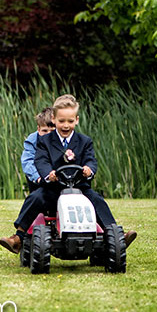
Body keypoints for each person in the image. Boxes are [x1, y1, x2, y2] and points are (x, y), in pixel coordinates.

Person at [28, 94, 136, 249]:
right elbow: (41, 160)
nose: (66, 125)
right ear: (53, 119)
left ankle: (115, 234)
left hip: (79, 188)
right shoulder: (45, 141)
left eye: (70, 121)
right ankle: (19, 236)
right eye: (62, 121)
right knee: (35, 197)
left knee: (96, 199)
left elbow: (91, 160)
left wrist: (88, 169)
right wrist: (48, 174)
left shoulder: (84, 141)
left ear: (76, 120)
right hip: (54, 189)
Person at [0, 108, 55, 253]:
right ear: (38, 129)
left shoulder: (63, 142)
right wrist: (39, 177)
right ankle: (19, 236)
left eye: (51, 130)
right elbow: (28, 162)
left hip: (66, 185)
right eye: (44, 131)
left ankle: (111, 234)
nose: (48, 134)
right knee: (35, 198)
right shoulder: (32, 141)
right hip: (42, 184)